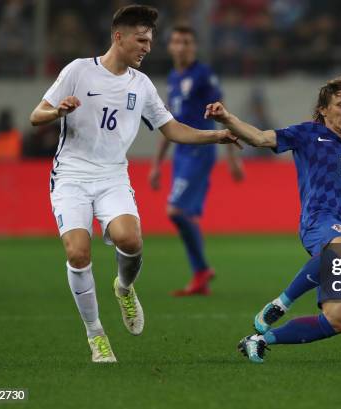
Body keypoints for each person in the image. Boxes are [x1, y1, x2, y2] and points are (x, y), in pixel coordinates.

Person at [29, 5, 238, 363]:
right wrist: (57, 112)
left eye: (150, 41)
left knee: (131, 240)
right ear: (119, 37)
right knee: (78, 253)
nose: (147, 47)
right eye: (141, 40)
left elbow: (171, 128)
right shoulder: (78, 71)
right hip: (72, 177)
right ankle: (96, 335)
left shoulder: (141, 85)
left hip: (112, 176)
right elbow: (36, 115)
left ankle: (124, 288)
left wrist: (216, 136)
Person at [205, 75, 341, 364]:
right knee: (339, 247)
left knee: (338, 320)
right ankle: (280, 303)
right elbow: (260, 138)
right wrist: (227, 118)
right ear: (324, 109)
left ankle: (259, 340)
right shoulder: (307, 134)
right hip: (318, 223)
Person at [149, 25, 243, 296]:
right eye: (176, 41)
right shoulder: (173, 77)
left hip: (200, 150)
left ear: (194, 47)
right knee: (185, 214)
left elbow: (224, 114)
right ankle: (200, 275)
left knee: (175, 211)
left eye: (187, 42)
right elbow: (168, 123)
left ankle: (201, 268)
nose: (181, 47)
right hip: (180, 152)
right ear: (169, 46)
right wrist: (157, 164)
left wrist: (233, 159)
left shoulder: (203, 75)